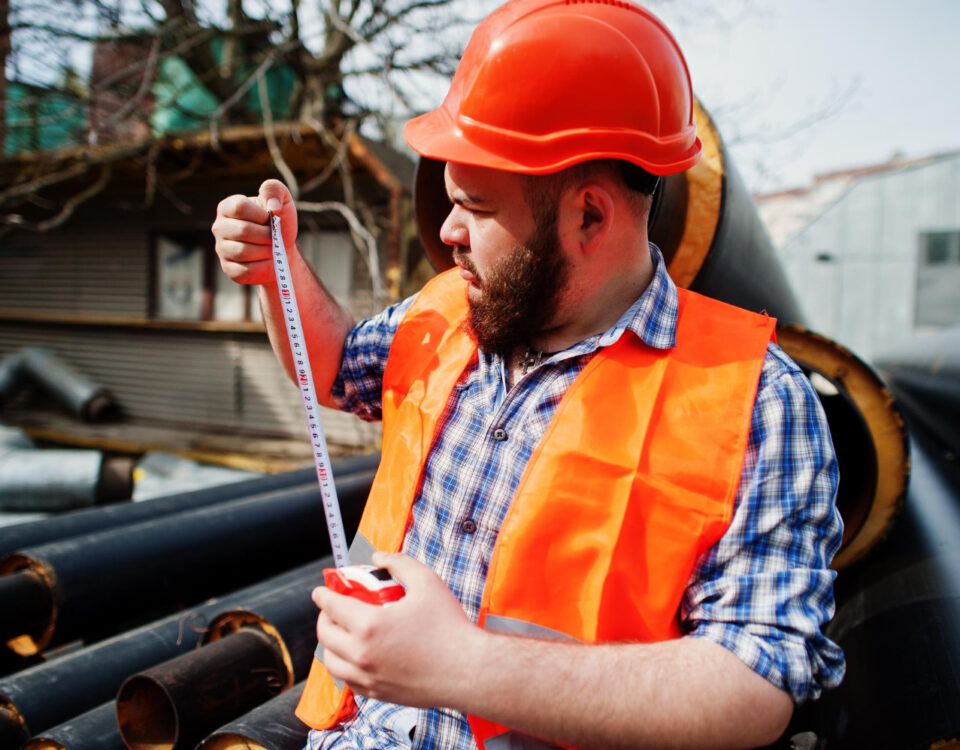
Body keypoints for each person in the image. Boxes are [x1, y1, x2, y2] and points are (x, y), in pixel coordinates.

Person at [211, 0, 845, 747]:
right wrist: (278, 275)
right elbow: (338, 372)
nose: (446, 233)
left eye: (473, 206)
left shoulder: (756, 402)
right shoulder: (452, 309)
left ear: (589, 218)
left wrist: (462, 665)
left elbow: (756, 682)